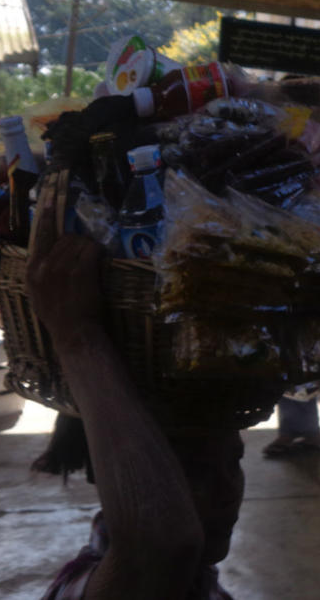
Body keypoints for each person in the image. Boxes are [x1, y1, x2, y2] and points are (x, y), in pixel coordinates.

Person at [27, 232, 243, 599]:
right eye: (196, 472)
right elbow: (160, 546)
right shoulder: (85, 590)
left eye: (235, 462)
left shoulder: (205, 587)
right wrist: (76, 337)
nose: (228, 493)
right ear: (103, 473)